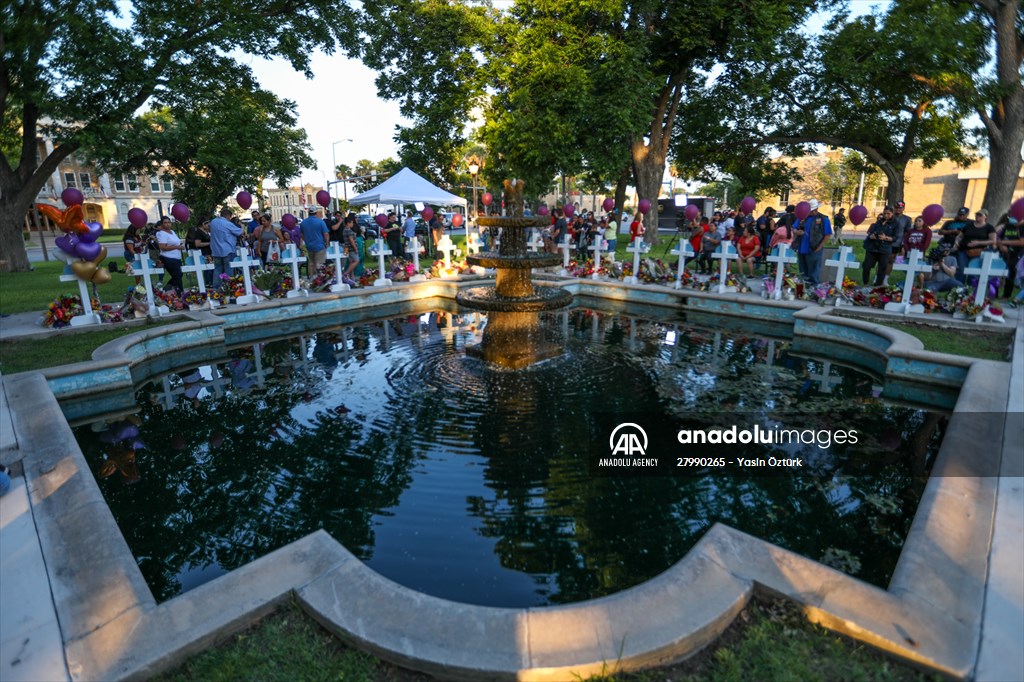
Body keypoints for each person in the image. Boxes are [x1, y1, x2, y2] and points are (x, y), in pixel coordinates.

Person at [793, 199, 831, 285]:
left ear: (816, 209)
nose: (812, 213)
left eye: (813, 210)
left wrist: (820, 246)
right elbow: (794, 228)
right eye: (810, 211)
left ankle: (814, 288)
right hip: (801, 247)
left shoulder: (823, 219)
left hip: (814, 248)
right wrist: (797, 232)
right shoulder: (802, 217)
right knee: (802, 270)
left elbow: (827, 234)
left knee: (814, 271)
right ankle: (803, 287)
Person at [957, 209, 997, 282]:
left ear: (985, 217)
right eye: (977, 214)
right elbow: (959, 236)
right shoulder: (968, 226)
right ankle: (959, 288)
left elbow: (993, 241)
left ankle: (970, 289)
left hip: (979, 252)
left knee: (973, 271)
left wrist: (978, 242)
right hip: (964, 250)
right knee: (962, 270)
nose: (977, 216)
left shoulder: (989, 227)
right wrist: (956, 242)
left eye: (980, 215)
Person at [862, 206, 897, 286]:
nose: (886, 215)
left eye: (888, 214)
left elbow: (896, 237)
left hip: (886, 248)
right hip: (873, 248)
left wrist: (886, 238)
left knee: (885, 266)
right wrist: (871, 235)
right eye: (884, 213)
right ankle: (865, 283)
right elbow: (870, 232)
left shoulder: (896, 223)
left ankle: (880, 284)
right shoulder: (878, 222)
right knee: (866, 266)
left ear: (892, 214)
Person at [210, 207, 242, 280]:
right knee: (229, 270)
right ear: (228, 216)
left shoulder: (213, 222)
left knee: (217, 269)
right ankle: (228, 287)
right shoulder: (227, 223)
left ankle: (217, 287)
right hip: (227, 250)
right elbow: (239, 232)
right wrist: (242, 227)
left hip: (216, 251)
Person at [154, 216, 184, 294]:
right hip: (168, 257)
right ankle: (168, 291)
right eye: (165, 223)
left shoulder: (172, 232)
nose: (167, 224)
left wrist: (179, 245)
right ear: (162, 224)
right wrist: (177, 246)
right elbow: (163, 247)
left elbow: (175, 242)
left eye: (169, 222)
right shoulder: (161, 234)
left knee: (178, 276)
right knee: (177, 276)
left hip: (176, 257)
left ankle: (178, 293)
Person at [996, 211, 1023, 300]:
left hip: (1016, 253)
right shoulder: (1007, 227)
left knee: (1011, 273)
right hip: (1003, 252)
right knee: (997, 272)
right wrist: (1001, 245)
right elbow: (999, 238)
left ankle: (1006, 295)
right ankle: (994, 293)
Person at [300, 207, 329, 276]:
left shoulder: (303, 222)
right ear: (316, 213)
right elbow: (326, 234)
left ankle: (311, 278)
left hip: (309, 245)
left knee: (311, 262)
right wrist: (327, 242)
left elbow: (302, 235)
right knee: (319, 263)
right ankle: (319, 279)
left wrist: (306, 240)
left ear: (308, 213)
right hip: (320, 245)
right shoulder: (320, 222)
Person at [186, 217, 213, 287]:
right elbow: (197, 244)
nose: (209, 226)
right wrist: (209, 243)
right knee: (207, 268)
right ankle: (208, 283)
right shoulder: (198, 232)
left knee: (210, 268)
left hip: (209, 251)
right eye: (207, 225)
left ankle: (211, 282)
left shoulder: (206, 232)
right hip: (203, 252)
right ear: (203, 224)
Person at [341, 216, 361, 285]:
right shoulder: (349, 230)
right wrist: (356, 249)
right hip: (351, 248)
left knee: (351, 262)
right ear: (348, 223)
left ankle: (352, 276)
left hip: (346, 248)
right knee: (356, 260)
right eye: (352, 223)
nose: (352, 224)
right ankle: (345, 274)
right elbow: (351, 240)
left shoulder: (344, 230)